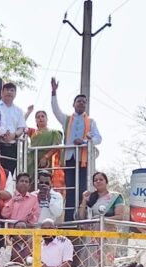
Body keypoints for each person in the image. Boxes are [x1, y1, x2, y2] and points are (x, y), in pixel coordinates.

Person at [51, 78, 102, 221]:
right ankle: (69, 219)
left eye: (84, 102)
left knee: (82, 189)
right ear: (73, 104)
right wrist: (54, 93)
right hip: (69, 158)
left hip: (83, 160)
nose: (81, 103)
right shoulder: (67, 120)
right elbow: (55, 110)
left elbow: (98, 138)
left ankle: (81, 218)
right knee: (70, 189)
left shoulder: (91, 122)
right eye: (79, 101)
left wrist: (84, 142)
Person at [76, 172, 126, 267]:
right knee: (89, 266)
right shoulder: (92, 198)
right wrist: (84, 200)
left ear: (106, 182)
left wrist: (101, 220)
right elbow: (81, 217)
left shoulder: (115, 197)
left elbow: (120, 216)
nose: (98, 181)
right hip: (91, 238)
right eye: (96, 180)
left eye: (101, 179)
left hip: (107, 237)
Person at [26, 110, 65, 196]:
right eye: (38, 117)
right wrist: (28, 112)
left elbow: (56, 146)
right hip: (32, 163)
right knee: (31, 185)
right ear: (35, 120)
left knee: (45, 182)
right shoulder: (33, 132)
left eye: (42, 116)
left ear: (47, 119)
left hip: (47, 163)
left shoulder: (53, 133)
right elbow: (21, 126)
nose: (40, 118)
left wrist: (46, 157)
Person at [0, 83, 27, 173]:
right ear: (2, 92)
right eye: (7, 90)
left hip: (12, 147)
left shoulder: (18, 110)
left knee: (9, 174)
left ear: (15, 94)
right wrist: (1, 134)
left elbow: (21, 128)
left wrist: (13, 135)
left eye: (12, 90)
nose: (9, 92)